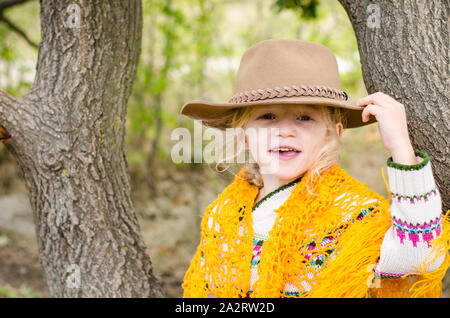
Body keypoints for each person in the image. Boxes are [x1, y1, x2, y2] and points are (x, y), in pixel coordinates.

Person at [179, 39, 449, 298]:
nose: (285, 131)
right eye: (268, 116)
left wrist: (400, 147)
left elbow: (422, 257)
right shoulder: (224, 213)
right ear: (244, 136)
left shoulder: (351, 212)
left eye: (305, 117)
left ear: (333, 134)